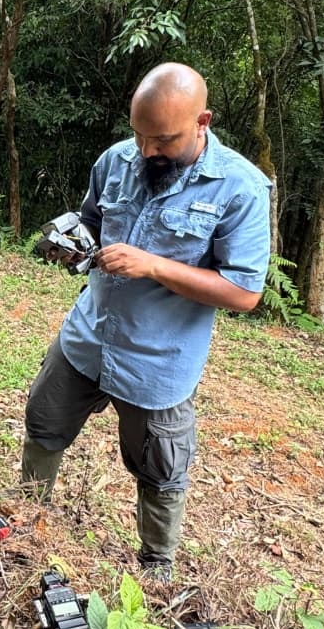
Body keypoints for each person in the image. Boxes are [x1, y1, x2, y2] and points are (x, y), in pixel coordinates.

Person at [21, 62, 271, 579]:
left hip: (158, 364)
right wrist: (71, 246)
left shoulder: (241, 188)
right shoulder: (116, 160)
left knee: (160, 470)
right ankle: (25, 522)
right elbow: (91, 221)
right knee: (43, 425)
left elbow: (244, 293)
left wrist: (153, 263)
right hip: (87, 337)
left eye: (163, 140)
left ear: (202, 121)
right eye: (140, 136)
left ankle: (156, 568)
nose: (148, 151)